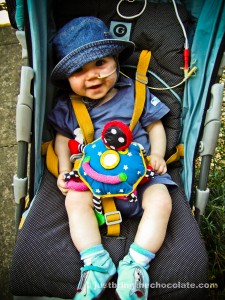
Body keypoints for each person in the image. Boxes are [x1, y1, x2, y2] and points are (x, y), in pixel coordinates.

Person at [48, 16, 176, 300]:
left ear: (116, 60)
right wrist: (65, 169)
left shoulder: (135, 93)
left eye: (100, 64)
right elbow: (60, 139)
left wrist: (157, 155)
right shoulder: (69, 106)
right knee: (74, 199)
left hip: (142, 176)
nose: (93, 75)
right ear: (66, 79)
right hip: (93, 184)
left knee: (161, 199)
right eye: (79, 70)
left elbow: (155, 126)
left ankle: (136, 263)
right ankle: (96, 262)